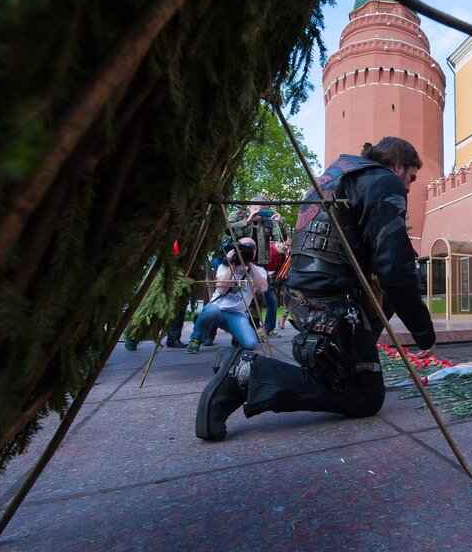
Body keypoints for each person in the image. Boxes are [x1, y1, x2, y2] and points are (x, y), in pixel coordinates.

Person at [196, 137, 436, 441]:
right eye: (411, 178)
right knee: (365, 395)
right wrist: (423, 332)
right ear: (398, 165)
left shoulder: (334, 177)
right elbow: (395, 270)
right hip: (333, 301)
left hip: (304, 297)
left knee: (347, 375)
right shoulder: (383, 180)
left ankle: (340, 360)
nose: (408, 188)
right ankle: (246, 373)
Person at [185, 238, 268, 354]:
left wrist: (250, 265)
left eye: (250, 248)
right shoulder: (224, 266)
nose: (245, 251)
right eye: (242, 248)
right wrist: (232, 264)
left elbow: (263, 288)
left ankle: (236, 335)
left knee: (250, 344)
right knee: (210, 310)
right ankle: (196, 339)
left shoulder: (259, 270)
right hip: (217, 310)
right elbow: (222, 289)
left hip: (237, 315)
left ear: (255, 251)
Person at [227, 195, 288, 337]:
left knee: (263, 298)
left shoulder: (268, 222)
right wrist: (247, 221)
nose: (259, 212)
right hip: (237, 262)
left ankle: (259, 330)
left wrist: (281, 224)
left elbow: (282, 238)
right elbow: (228, 230)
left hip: (259, 264)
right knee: (229, 295)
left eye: (262, 210)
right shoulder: (237, 215)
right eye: (256, 209)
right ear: (249, 207)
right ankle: (205, 334)